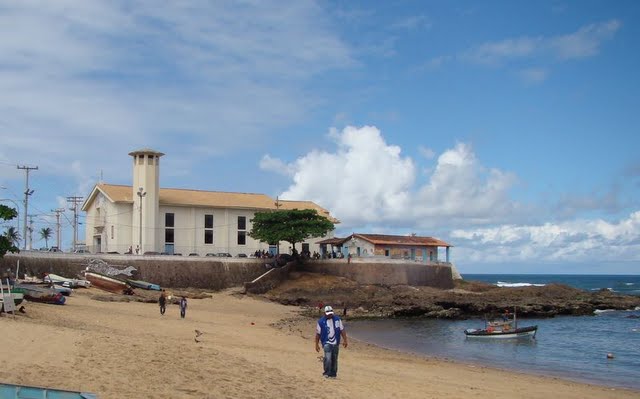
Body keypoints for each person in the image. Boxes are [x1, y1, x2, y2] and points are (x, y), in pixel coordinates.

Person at [315, 305, 348, 379]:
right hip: (326, 342)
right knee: (328, 358)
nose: (330, 315)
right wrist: (316, 344)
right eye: (328, 314)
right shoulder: (321, 322)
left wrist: (345, 340)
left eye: (331, 314)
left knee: (334, 359)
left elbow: (342, 330)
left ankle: (333, 374)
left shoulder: (337, 320)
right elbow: (318, 334)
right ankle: (326, 373)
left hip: (336, 342)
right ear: (325, 313)